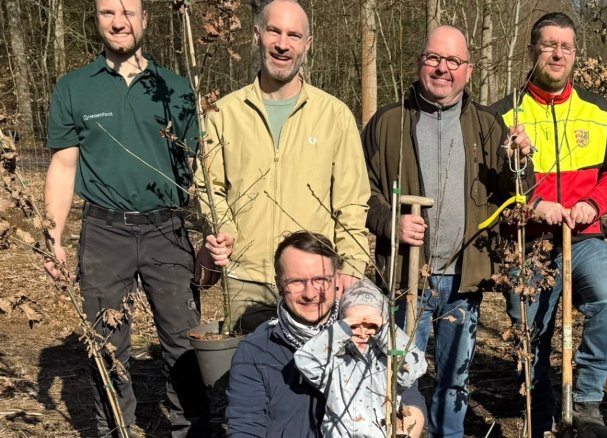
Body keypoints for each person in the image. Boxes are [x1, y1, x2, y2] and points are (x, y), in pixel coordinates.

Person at [43, 0, 209, 435]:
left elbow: (198, 166)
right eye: (106, 13)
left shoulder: (174, 89)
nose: (118, 22)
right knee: (107, 346)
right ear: (96, 18)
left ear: (145, 18)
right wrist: (53, 238)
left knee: (183, 340)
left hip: (166, 230)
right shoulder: (75, 87)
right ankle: (116, 427)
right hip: (103, 232)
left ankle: (185, 428)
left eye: (128, 12)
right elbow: (63, 166)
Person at [363, 25, 531, 438]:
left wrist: (521, 162)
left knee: (454, 381)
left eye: (453, 61)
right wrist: (390, 222)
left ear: (468, 70)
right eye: (434, 59)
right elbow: (357, 194)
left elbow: (518, 195)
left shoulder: (490, 125)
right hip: (406, 277)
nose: (442, 69)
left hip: (464, 278)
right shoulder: (387, 122)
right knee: (402, 377)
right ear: (421, 63)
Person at [491, 12, 607, 437]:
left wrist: (593, 203)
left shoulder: (601, 110)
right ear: (532, 50)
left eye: (565, 46)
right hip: (526, 243)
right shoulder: (501, 114)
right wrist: (532, 204)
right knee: (531, 335)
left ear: (574, 55)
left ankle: (587, 402)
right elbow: (490, 186)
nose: (557, 53)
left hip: (583, 236)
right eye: (548, 44)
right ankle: (543, 417)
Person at [199, 0, 370, 333]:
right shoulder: (223, 113)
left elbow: (352, 200)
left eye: (294, 35)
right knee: (249, 377)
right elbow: (209, 187)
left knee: (312, 378)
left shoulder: (334, 116)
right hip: (244, 277)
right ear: (256, 35)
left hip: (313, 280)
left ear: (307, 45)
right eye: (274, 31)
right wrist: (225, 232)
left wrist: (352, 263)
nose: (282, 44)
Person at [226, 231, 427, 437]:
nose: (310, 294)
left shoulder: (367, 331)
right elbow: (245, 427)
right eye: (296, 281)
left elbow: (409, 394)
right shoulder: (257, 351)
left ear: (336, 280)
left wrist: (408, 428)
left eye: (320, 279)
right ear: (279, 283)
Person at [294, 278, 427, 438]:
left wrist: (386, 331)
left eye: (371, 326)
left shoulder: (389, 361)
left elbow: (417, 366)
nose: (362, 333)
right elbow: (305, 361)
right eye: (354, 326)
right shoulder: (335, 360)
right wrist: (340, 331)